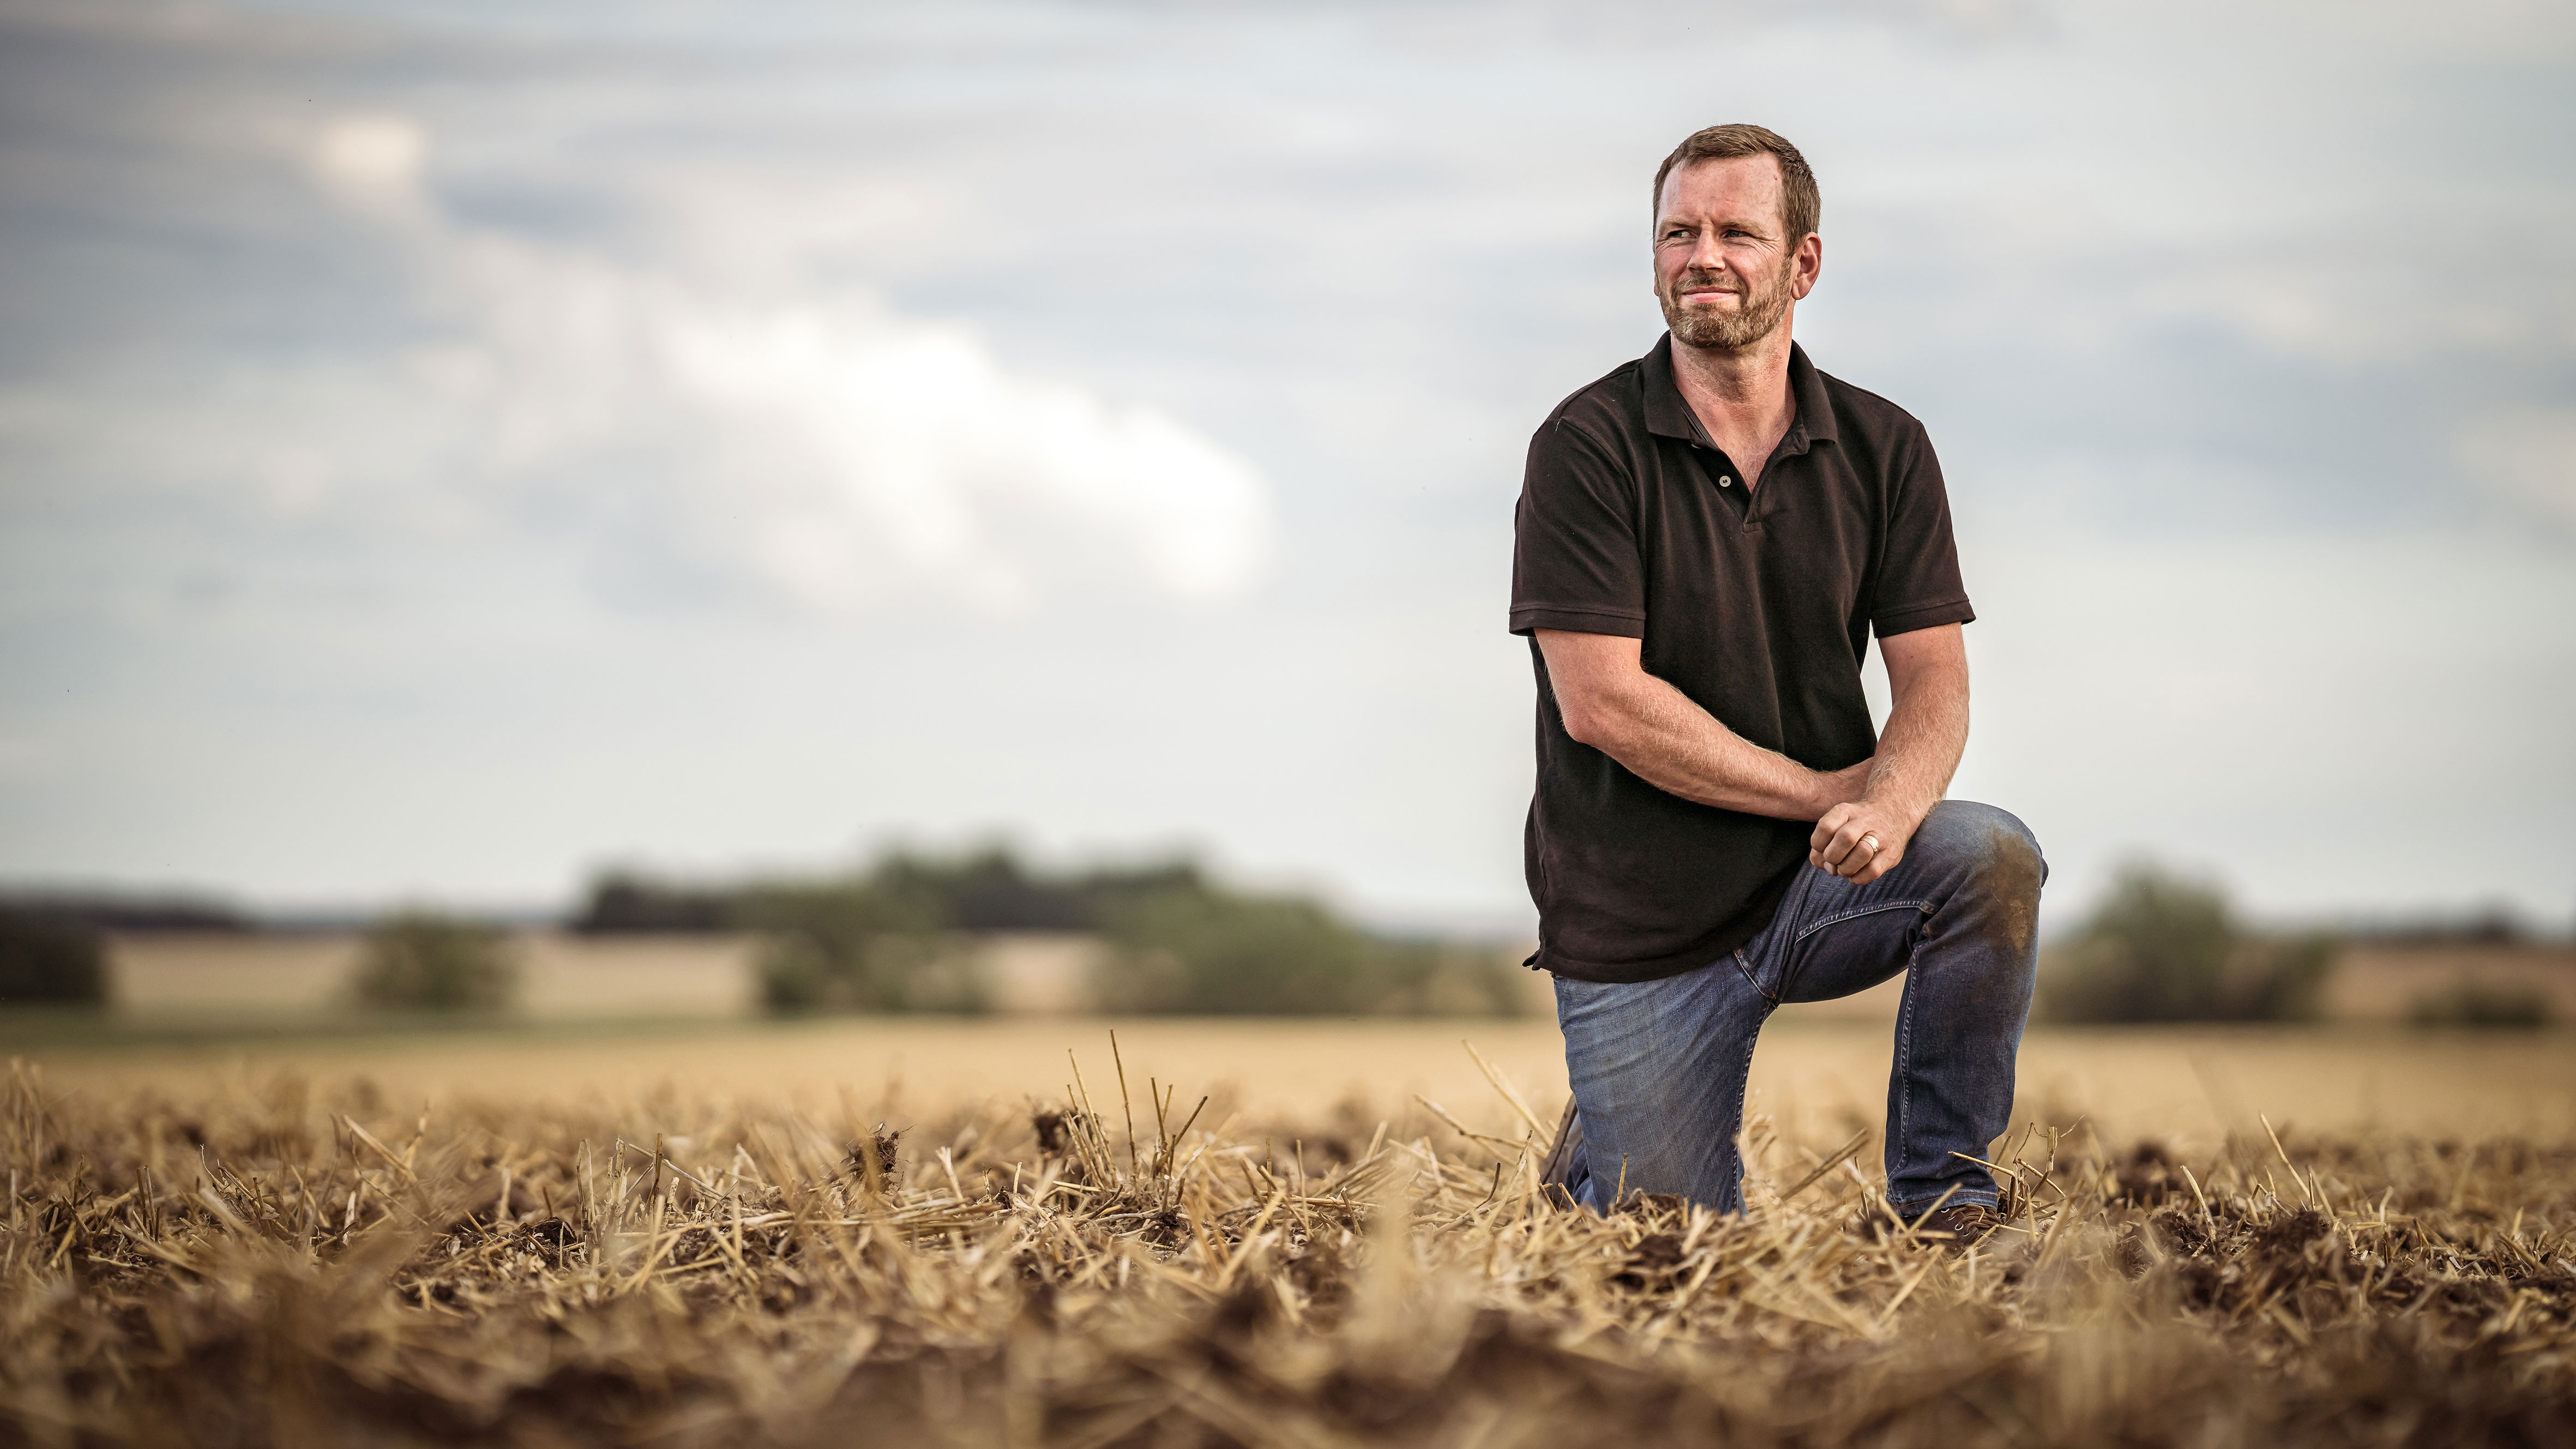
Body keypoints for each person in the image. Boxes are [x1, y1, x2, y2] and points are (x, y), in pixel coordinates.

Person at [1512, 123, 2045, 1242]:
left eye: (1735, 233)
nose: (1700, 256)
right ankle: (1607, 1146)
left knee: (1984, 854)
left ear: (1802, 263)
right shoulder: (1586, 445)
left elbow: (1935, 681)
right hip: (1641, 924)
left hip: (1812, 894)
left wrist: (1891, 808)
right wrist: (1825, 795)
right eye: (1676, 232)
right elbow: (1600, 704)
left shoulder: (1884, 447)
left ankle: (1948, 1205)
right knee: (1675, 1247)